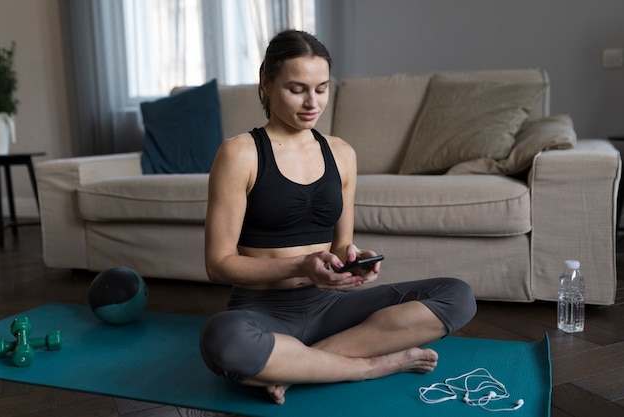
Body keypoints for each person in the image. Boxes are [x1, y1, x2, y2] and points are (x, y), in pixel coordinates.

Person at [200, 29, 477, 405]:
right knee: (223, 341)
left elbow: (342, 244)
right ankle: (372, 365)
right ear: (266, 83)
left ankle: (298, 366)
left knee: (458, 296)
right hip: (263, 311)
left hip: (332, 307)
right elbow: (218, 265)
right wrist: (302, 264)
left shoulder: (342, 153)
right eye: (297, 89)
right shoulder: (240, 153)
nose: (312, 102)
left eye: (322, 88)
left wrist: (353, 259)